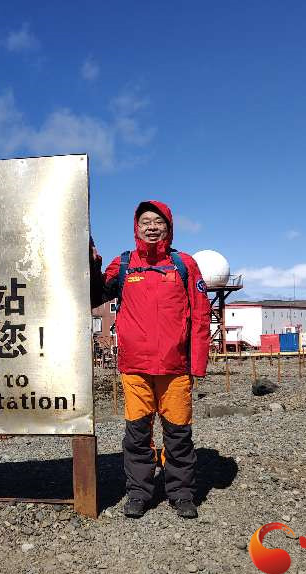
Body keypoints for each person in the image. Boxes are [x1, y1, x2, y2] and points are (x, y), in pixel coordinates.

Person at [90, 200, 211, 518]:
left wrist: (197, 363)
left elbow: (201, 315)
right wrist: (92, 262)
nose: (152, 227)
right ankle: (138, 493)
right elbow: (95, 296)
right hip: (135, 368)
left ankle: (181, 493)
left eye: (159, 222)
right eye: (146, 221)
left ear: (169, 228)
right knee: (137, 435)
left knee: (179, 435)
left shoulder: (184, 265)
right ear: (136, 227)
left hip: (175, 368)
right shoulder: (124, 264)